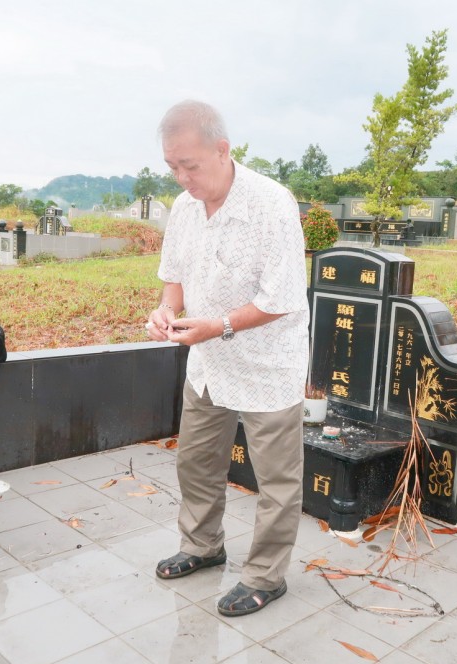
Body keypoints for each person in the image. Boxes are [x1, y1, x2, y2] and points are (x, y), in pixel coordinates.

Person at [146, 100, 309, 617]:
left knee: (275, 479)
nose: (182, 177)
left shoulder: (271, 203)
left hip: (268, 361)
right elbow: (174, 277)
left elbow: (279, 296)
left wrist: (218, 325)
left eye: (190, 165)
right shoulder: (185, 208)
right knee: (196, 460)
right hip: (208, 361)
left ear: (222, 149)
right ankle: (202, 545)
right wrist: (166, 311)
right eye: (172, 167)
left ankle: (265, 575)